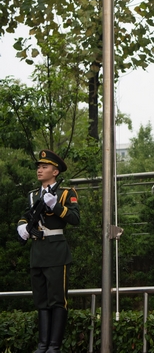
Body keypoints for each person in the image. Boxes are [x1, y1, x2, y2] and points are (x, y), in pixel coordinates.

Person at [17, 150, 80, 353]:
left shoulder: (66, 193)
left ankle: (54, 346)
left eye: (44, 167)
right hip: (38, 252)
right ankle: (42, 345)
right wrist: (22, 226)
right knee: (41, 301)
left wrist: (56, 207)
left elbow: (75, 219)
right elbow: (27, 215)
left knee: (57, 300)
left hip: (55, 251)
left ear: (55, 172)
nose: (39, 170)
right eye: (38, 167)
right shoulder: (33, 195)